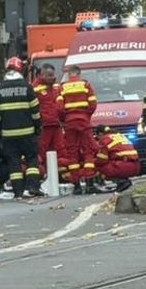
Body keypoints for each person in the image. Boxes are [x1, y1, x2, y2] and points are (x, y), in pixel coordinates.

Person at [0, 57, 43, 198]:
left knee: (13, 163)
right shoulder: (27, 87)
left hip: (8, 135)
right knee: (32, 160)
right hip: (28, 133)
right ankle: (32, 187)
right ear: (21, 70)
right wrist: (38, 127)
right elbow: (35, 111)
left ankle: (18, 191)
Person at [57, 64, 99, 194]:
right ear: (79, 73)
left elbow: (59, 108)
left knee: (72, 153)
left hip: (69, 123)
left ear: (69, 74)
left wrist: (65, 120)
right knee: (88, 151)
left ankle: (76, 186)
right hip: (84, 121)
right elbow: (93, 104)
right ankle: (90, 183)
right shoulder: (86, 85)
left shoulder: (62, 87)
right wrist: (86, 116)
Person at [32, 63, 64, 182]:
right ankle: (43, 177)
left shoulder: (56, 86)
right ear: (42, 74)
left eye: (53, 75)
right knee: (42, 151)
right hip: (43, 126)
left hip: (56, 124)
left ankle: (60, 176)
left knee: (60, 151)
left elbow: (61, 102)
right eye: (49, 75)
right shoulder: (34, 87)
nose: (52, 77)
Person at [94, 125, 140, 193]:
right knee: (114, 159)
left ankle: (121, 182)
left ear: (100, 134)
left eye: (97, 137)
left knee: (98, 166)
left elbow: (102, 160)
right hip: (136, 166)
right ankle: (124, 180)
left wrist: (93, 163)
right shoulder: (120, 136)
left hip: (122, 167)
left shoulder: (104, 139)